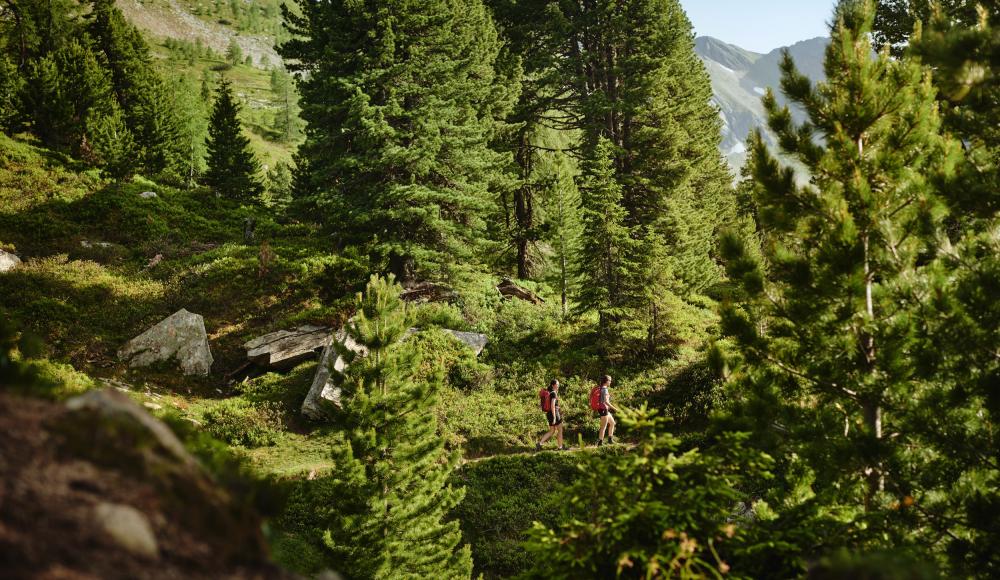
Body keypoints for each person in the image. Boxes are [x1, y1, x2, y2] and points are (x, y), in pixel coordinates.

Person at [537, 379, 567, 451]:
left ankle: (539, 444)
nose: (558, 386)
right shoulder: (553, 393)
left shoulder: (549, 392)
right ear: (553, 385)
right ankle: (560, 447)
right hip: (554, 413)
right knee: (560, 430)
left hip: (549, 413)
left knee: (552, 431)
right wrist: (554, 417)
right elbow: (552, 406)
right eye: (557, 384)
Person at [596, 375, 618, 446]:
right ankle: (600, 443)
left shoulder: (601, 388)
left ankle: (610, 440)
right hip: (603, 410)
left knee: (612, 423)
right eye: (610, 380)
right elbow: (606, 402)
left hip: (604, 410)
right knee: (603, 427)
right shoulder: (604, 389)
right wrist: (614, 408)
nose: (610, 382)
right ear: (606, 381)